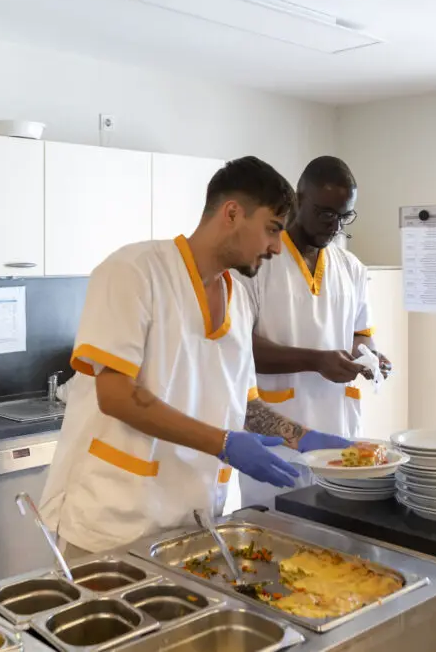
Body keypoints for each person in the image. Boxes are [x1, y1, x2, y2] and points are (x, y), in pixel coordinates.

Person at [38, 156, 350, 557]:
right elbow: (114, 395)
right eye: (272, 229)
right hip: (112, 523)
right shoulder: (134, 272)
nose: (276, 246)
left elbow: (245, 405)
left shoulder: (237, 301)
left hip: (193, 523)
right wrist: (222, 443)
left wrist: (304, 438)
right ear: (233, 213)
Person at [237, 156, 391, 508]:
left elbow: (360, 332)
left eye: (344, 216)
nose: (336, 226)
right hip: (277, 435)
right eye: (326, 213)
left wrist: (369, 355)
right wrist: (316, 361)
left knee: (339, 537)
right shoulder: (257, 264)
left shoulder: (350, 267)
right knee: (278, 535)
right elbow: (239, 348)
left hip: (337, 432)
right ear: (298, 200)